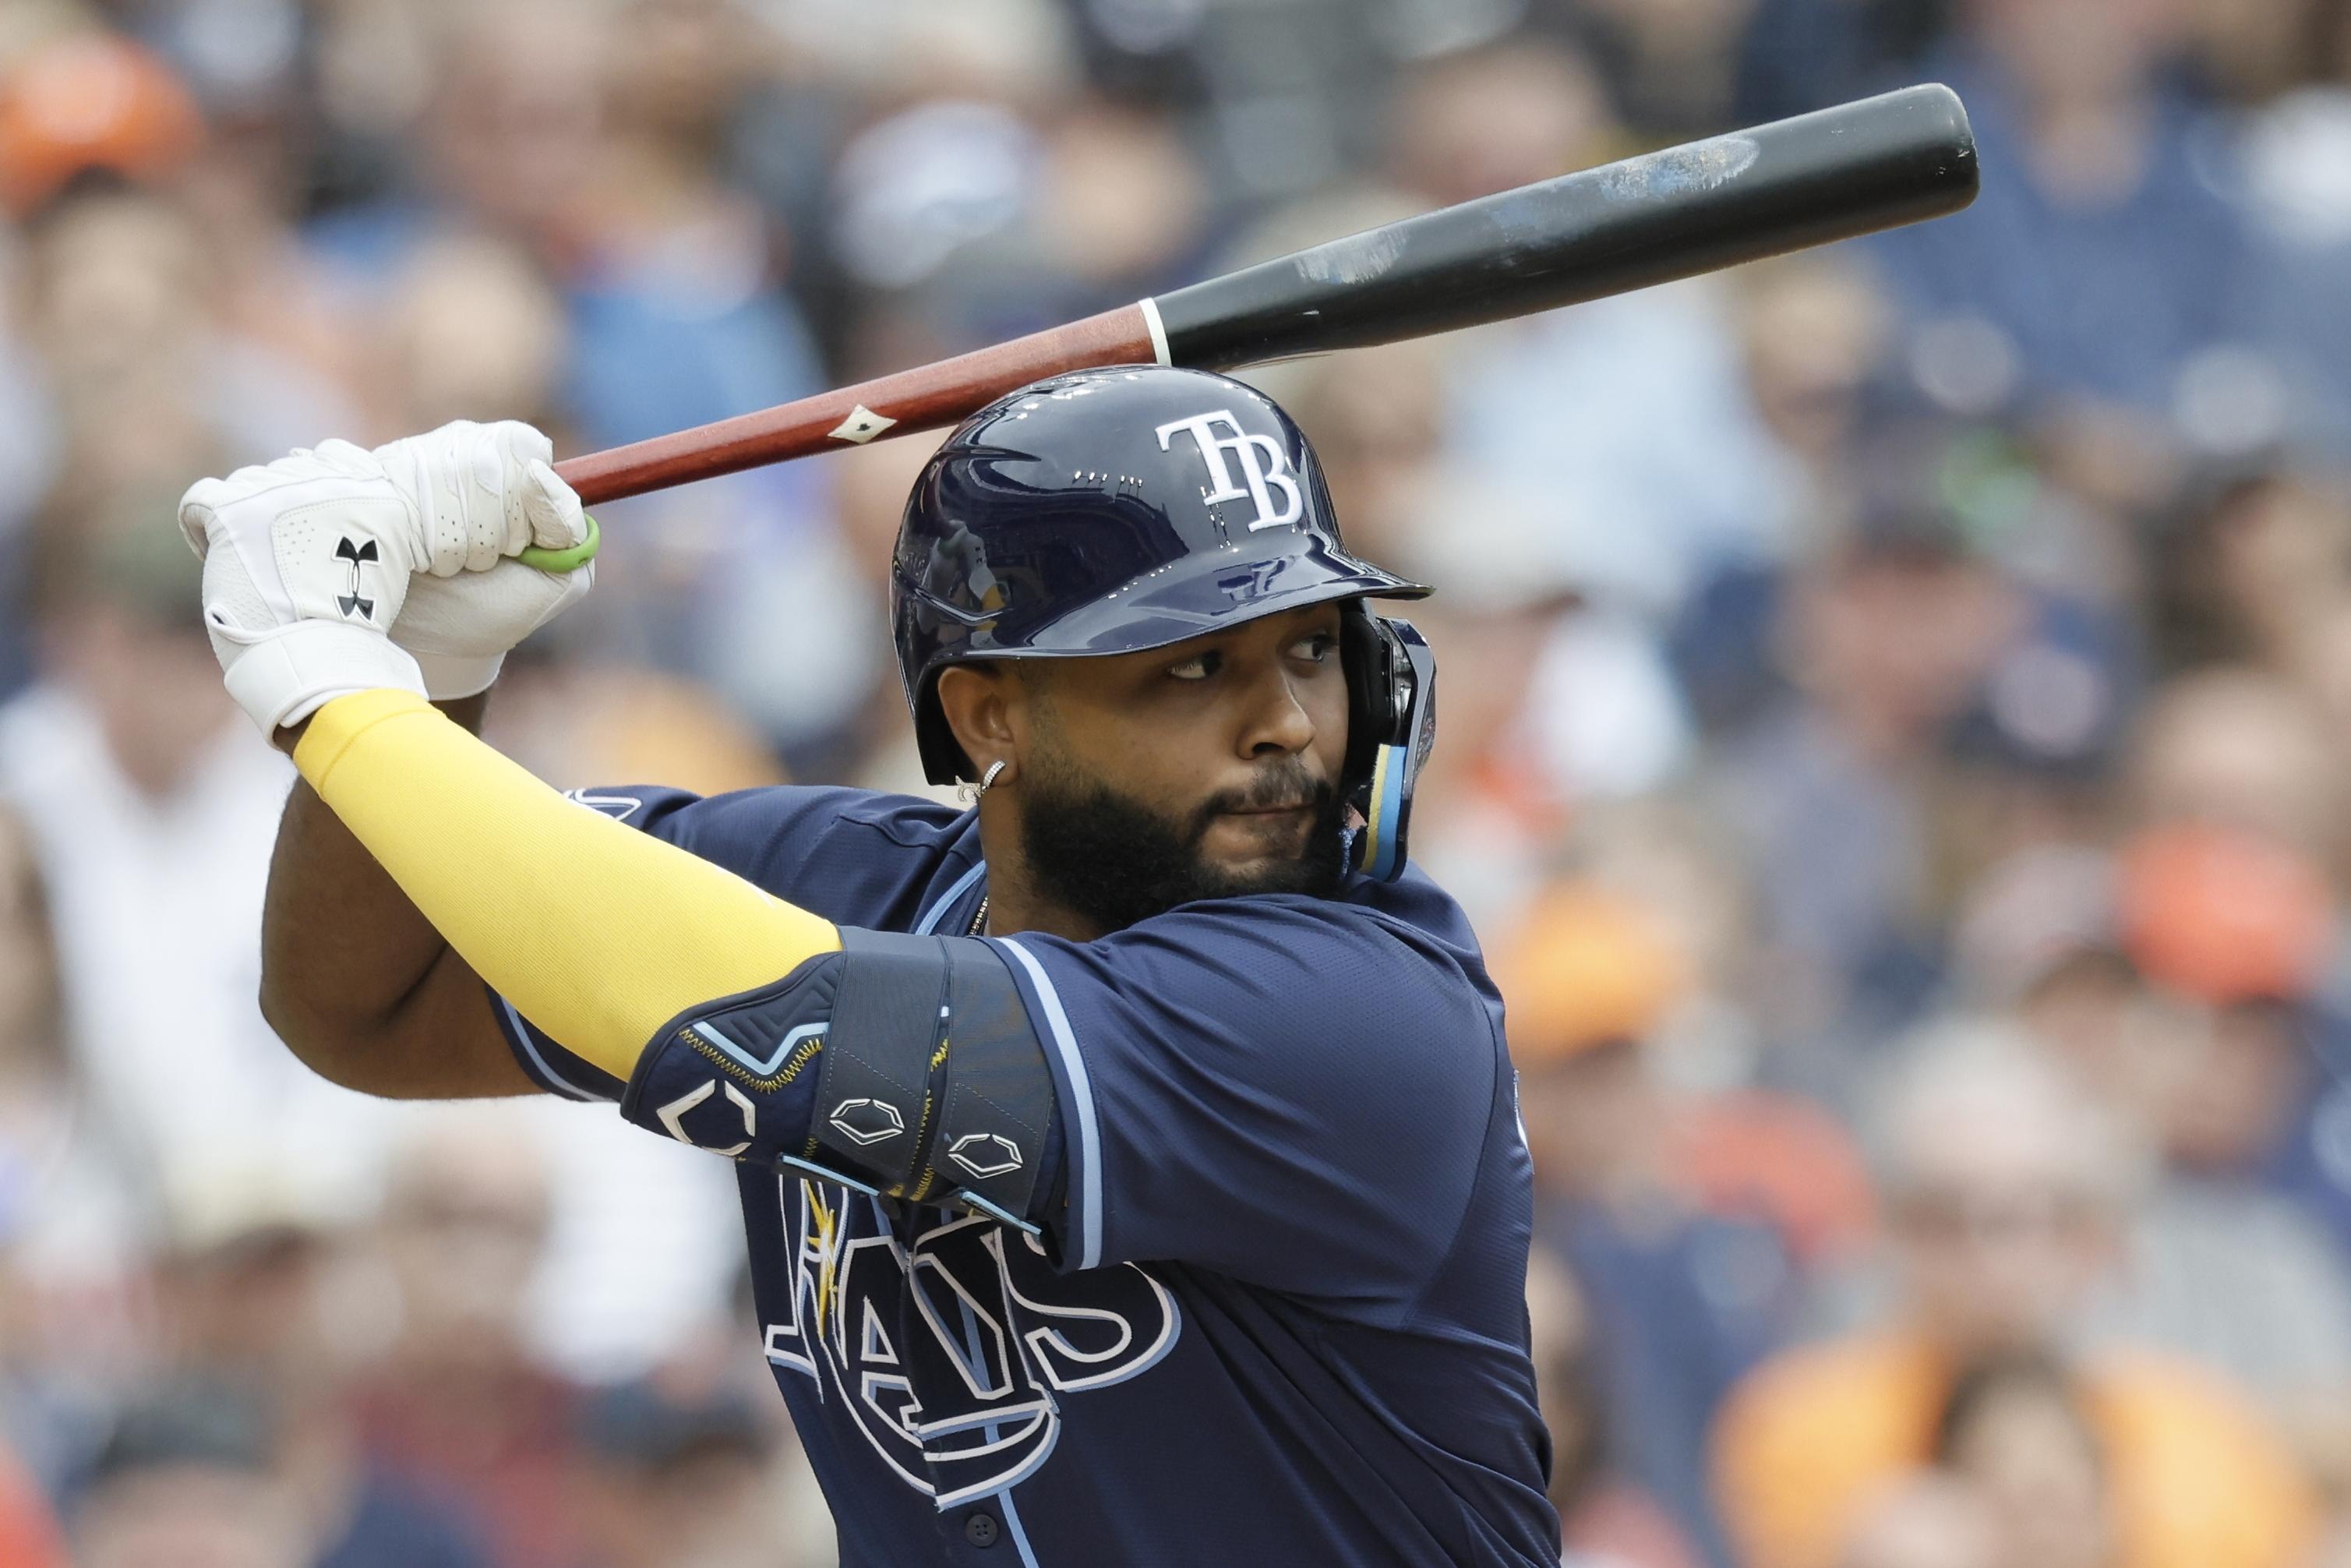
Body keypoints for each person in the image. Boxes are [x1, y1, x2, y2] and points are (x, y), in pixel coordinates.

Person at [178, 373, 1559, 1566]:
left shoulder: (1364, 1015)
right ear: (989, 709)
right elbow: (370, 1005)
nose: (1285, 725)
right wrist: (433, 674)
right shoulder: (855, 884)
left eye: (1311, 650)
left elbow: (781, 1018)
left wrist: (337, 697)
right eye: (1191, 667)